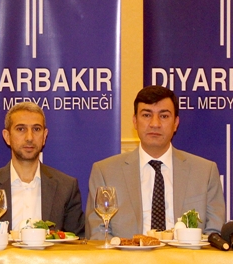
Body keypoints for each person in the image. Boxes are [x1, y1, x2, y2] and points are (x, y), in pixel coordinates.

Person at [86, 85, 225, 239]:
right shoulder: (105, 172)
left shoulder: (205, 172)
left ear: (176, 123)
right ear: (135, 121)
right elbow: (98, 234)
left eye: (164, 116)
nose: (155, 124)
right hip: (126, 254)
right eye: (146, 115)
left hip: (187, 254)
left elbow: (215, 232)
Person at [0, 102, 85, 239]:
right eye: (21, 129)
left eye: (36, 129)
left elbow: (77, 243)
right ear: (7, 136)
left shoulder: (66, 187)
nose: (29, 137)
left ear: (44, 136)